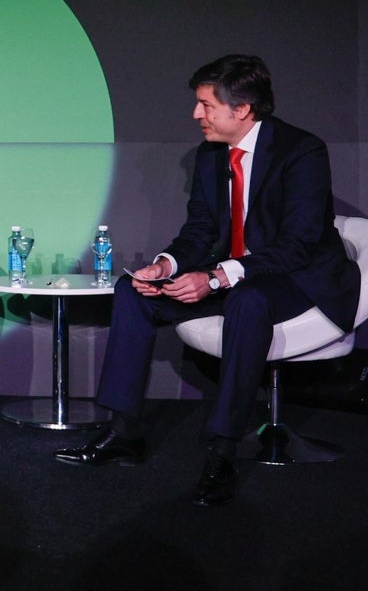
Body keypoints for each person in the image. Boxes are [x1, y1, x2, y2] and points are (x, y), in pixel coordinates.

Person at [54, 54, 360, 505]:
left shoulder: (302, 150)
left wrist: (216, 278)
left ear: (242, 109)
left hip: (298, 279)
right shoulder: (211, 155)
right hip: (234, 276)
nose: (196, 115)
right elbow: (200, 230)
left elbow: (298, 244)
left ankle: (223, 450)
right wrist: (166, 266)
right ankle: (122, 433)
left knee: (248, 300)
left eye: (206, 105)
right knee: (132, 292)